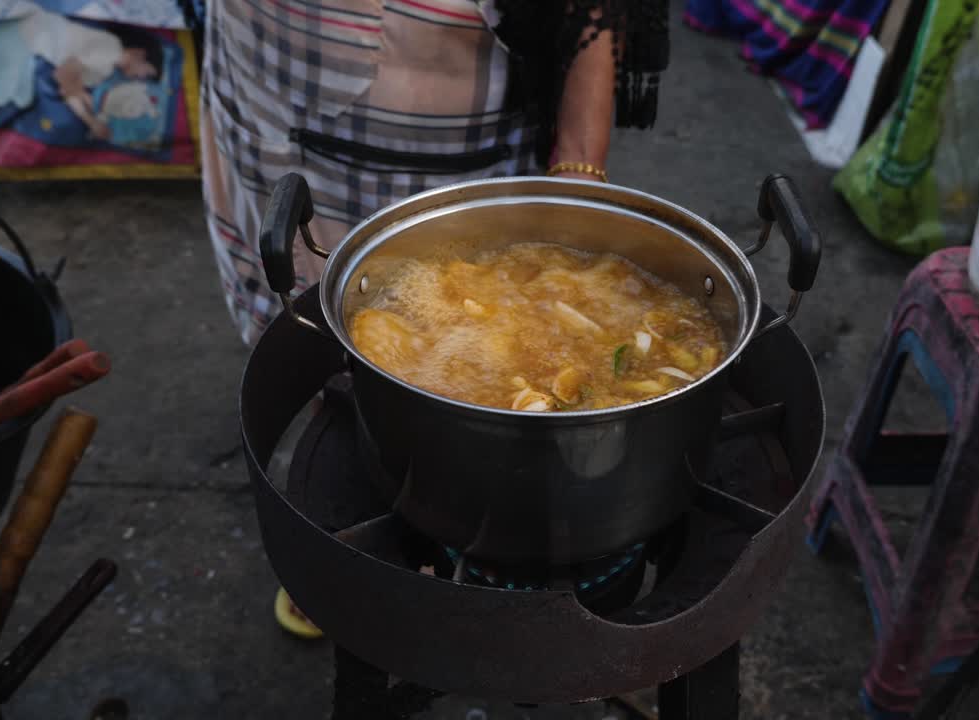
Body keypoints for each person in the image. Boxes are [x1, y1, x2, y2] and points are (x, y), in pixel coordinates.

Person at [200, 0, 669, 636]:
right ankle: (358, 517)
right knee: (324, 328)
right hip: (269, 88)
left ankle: (439, 511)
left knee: (469, 333)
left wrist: (579, 174)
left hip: (456, 127)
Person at [0, 6, 162, 141]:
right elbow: (64, 77)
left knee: (20, 97)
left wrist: (90, 118)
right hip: (26, 32)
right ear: (140, 54)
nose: (140, 78)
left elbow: (69, 89)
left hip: (29, 47)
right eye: (146, 72)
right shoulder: (111, 50)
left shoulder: (103, 72)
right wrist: (85, 107)